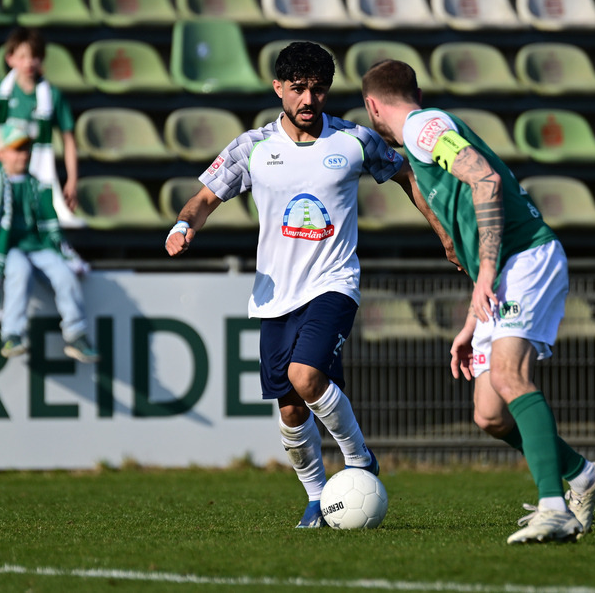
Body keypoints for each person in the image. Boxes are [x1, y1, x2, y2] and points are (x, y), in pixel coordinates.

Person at [165, 42, 444, 528]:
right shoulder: (253, 147)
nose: (308, 100)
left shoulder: (354, 141)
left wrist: (444, 233)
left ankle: (360, 461)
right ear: (279, 89)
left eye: (318, 90)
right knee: (292, 410)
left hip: (334, 282)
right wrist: (183, 226)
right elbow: (205, 197)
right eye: (298, 90)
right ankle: (317, 497)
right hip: (275, 296)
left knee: (306, 376)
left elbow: (406, 175)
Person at [361, 59, 595, 545]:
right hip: (501, 272)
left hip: (526, 257)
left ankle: (553, 507)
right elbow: (477, 226)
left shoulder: (421, 128)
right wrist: (470, 317)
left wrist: (487, 275)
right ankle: (584, 476)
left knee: (508, 375)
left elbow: (487, 181)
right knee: (490, 414)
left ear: (373, 105)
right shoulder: (424, 137)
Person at [0, 121, 98, 364]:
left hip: (37, 246)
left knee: (64, 274)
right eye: (17, 148)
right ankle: (12, 333)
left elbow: (48, 225)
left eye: (26, 148)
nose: (23, 154)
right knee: (19, 273)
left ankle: (76, 333)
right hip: (10, 249)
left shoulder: (36, 185)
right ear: (1, 153)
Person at [0, 27, 79, 212]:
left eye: (34, 56)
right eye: (22, 56)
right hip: (3, 176)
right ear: (10, 59)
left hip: (37, 177)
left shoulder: (52, 95)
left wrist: (72, 180)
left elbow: (68, 138)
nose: (29, 63)